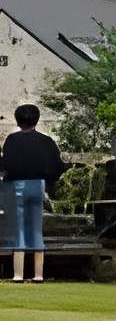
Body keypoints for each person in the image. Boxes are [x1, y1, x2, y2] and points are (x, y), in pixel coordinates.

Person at [2, 104, 62, 284]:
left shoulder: (12, 140)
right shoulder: (46, 141)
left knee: (18, 228)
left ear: (17, 120)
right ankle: (38, 274)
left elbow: (6, 165)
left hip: (17, 185)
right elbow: (57, 166)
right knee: (36, 228)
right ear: (36, 119)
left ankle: (18, 274)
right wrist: (49, 184)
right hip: (38, 185)